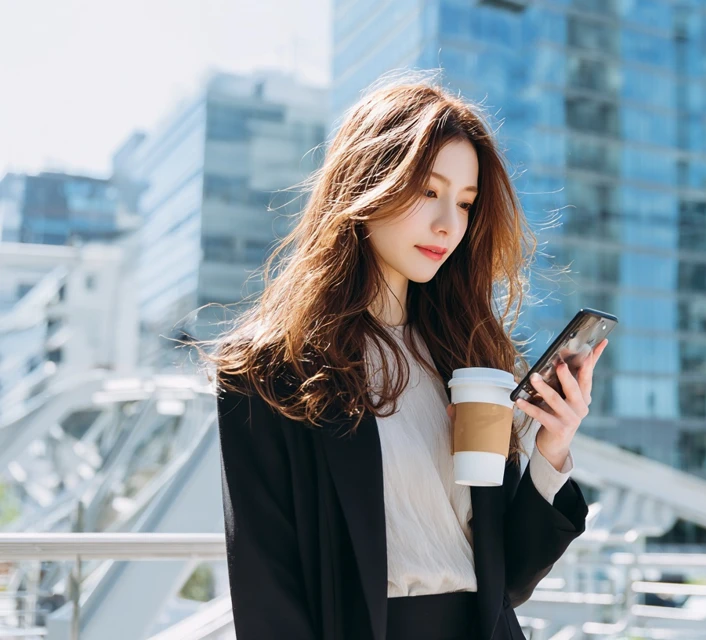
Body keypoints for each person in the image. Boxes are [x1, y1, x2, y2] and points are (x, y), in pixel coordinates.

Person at [201, 75, 606, 639]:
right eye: (428, 191)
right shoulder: (272, 370)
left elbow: (507, 579)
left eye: (465, 204)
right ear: (369, 181)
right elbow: (268, 591)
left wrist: (552, 448)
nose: (449, 224)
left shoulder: (464, 359)